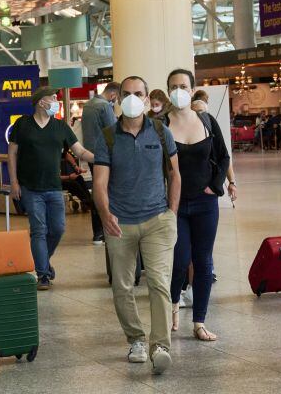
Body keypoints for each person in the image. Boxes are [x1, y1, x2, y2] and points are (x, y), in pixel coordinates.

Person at [92, 76, 181, 376]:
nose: (132, 98)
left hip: (157, 220)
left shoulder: (160, 131)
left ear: (146, 99)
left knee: (158, 282)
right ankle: (136, 339)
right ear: (118, 99)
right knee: (122, 286)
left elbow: (176, 175)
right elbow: (100, 182)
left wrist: (172, 212)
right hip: (120, 223)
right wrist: (105, 214)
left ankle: (161, 346)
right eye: (127, 94)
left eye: (138, 94)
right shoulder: (107, 137)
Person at [165, 69, 233, 342]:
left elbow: (223, 156)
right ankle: (171, 310)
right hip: (175, 204)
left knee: (203, 262)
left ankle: (200, 321)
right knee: (180, 260)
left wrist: (215, 186)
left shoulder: (206, 120)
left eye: (183, 85)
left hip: (205, 202)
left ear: (192, 90)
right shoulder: (160, 124)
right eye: (173, 86)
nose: (178, 90)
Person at [8, 88, 95, 291]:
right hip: (30, 187)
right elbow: (12, 153)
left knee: (58, 228)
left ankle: (43, 261)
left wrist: (101, 158)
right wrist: (13, 182)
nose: (56, 101)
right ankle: (43, 275)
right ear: (41, 102)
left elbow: (79, 151)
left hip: (54, 187)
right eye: (53, 98)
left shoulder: (60, 126)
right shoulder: (23, 124)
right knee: (39, 230)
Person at [81, 82, 121, 244]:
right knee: (107, 192)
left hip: (91, 154)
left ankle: (97, 232)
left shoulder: (88, 105)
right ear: (113, 95)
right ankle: (106, 229)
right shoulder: (104, 107)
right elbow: (113, 133)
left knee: (97, 189)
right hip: (105, 155)